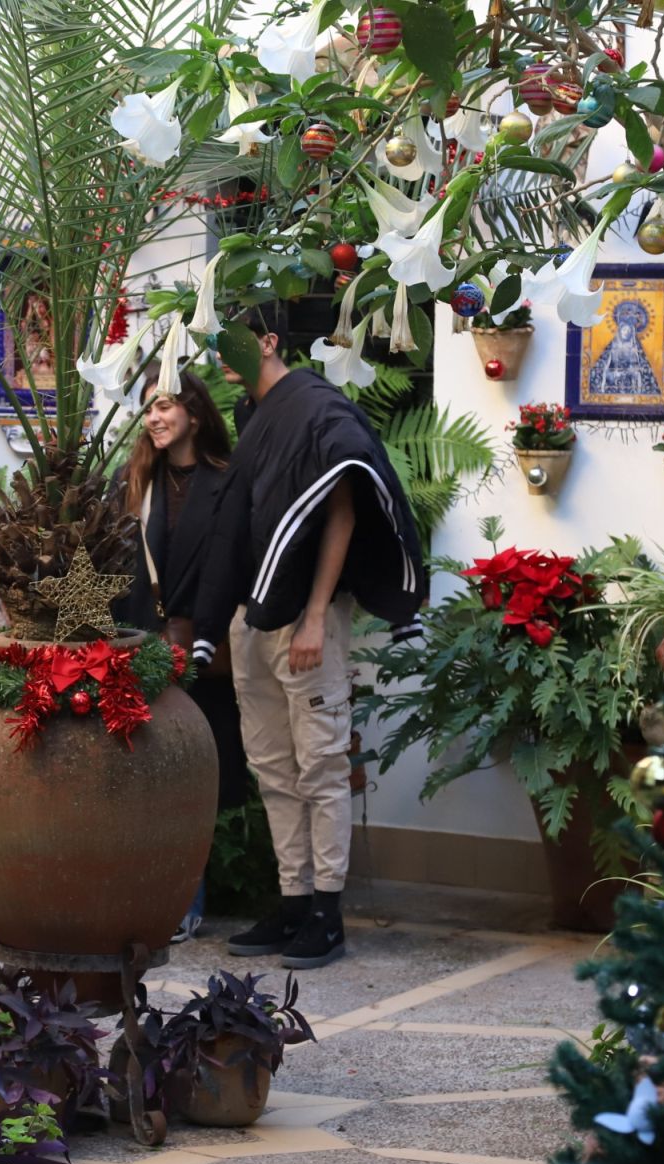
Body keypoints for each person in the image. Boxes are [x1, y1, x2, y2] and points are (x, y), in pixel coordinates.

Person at [195, 305, 426, 970]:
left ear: (268, 341)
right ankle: (293, 899)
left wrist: (320, 613)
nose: (222, 357)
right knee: (272, 766)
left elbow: (345, 504)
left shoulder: (316, 408)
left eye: (233, 343)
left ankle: (327, 911)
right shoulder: (256, 417)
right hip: (254, 615)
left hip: (305, 619)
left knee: (321, 765)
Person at [113, 371, 247, 943]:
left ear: (194, 412)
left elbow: (236, 563)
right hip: (141, 646)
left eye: (164, 405)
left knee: (194, 780)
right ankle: (147, 900)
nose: (154, 418)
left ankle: (186, 902)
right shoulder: (135, 481)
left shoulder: (225, 479)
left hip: (202, 653)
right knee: (141, 776)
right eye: (147, 409)